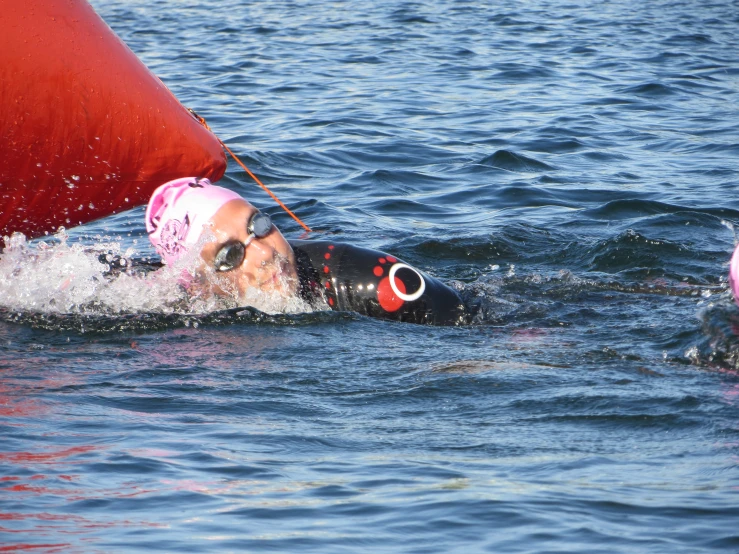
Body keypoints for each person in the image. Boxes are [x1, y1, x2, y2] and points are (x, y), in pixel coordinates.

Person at [146, 177, 469, 325]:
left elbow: (476, 332)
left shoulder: (365, 277)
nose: (265, 253)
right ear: (199, 284)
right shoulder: (168, 307)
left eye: (259, 226)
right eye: (230, 256)